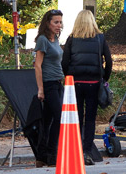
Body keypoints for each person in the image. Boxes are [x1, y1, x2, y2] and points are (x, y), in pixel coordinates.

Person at [61, 9, 112, 165]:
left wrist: (68, 76)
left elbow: (64, 62)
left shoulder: (71, 39)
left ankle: (75, 150)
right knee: (90, 118)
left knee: (75, 118)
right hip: (94, 83)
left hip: (75, 83)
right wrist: (104, 78)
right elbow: (109, 61)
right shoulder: (100, 38)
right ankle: (87, 152)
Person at [33, 9, 64, 168]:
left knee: (48, 121)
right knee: (59, 118)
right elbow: (37, 66)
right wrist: (41, 89)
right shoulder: (43, 40)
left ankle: (41, 155)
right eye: (55, 22)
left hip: (58, 83)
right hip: (49, 83)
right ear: (48, 23)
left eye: (60, 22)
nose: (59, 25)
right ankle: (52, 154)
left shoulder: (55, 39)